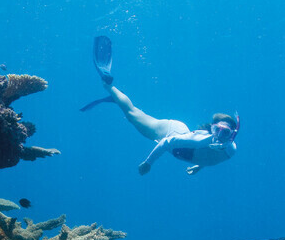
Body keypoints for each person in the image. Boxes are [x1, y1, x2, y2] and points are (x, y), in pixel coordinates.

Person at [81, 36, 238, 175]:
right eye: (217, 130)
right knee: (131, 114)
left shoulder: (231, 150)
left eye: (225, 132)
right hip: (169, 131)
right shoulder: (199, 141)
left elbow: (210, 156)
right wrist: (148, 163)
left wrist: (200, 165)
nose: (219, 135)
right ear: (211, 129)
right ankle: (107, 85)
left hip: (182, 136)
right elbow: (166, 142)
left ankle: (119, 98)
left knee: (134, 114)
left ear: (232, 135)